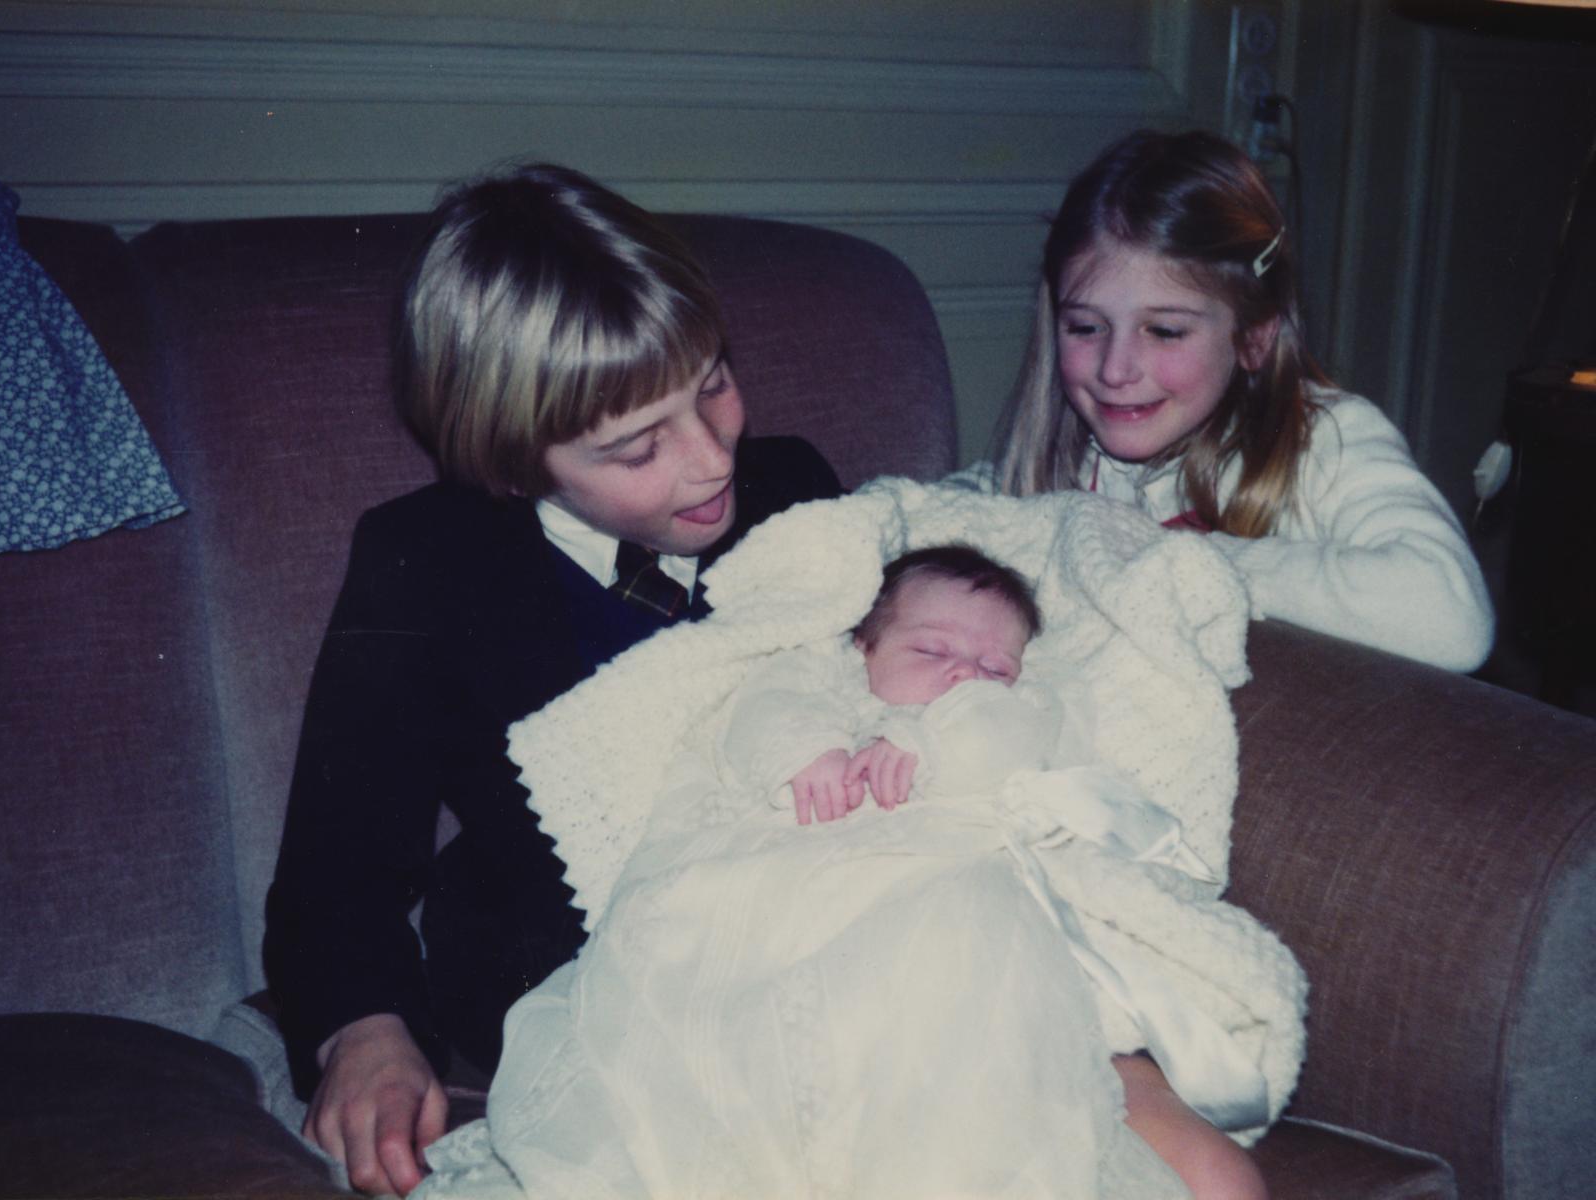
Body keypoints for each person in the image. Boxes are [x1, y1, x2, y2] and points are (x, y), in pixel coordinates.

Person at [261, 163, 841, 1197]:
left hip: (805, 924)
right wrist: (365, 1028)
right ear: (518, 463)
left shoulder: (795, 488)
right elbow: (339, 859)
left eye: (712, 384)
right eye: (635, 447)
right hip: (573, 965)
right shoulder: (424, 562)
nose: (711, 462)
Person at [412, 545, 1283, 1199]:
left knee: (957, 942)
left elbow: (1010, 739)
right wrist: (812, 750)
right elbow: (755, 718)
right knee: (703, 996)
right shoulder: (814, 682)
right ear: (864, 645)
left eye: (993, 666)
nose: (964, 676)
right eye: (932, 650)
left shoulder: (1011, 711)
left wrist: (924, 735)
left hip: (926, 891)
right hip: (762, 891)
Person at [989, 128, 1493, 679]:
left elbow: (1453, 620)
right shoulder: (1065, 458)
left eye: (1164, 331)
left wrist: (1173, 560)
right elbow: (964, 516)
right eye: (1085, 327)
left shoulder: (1325, 439)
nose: (1115, 369)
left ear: (1254, 337)